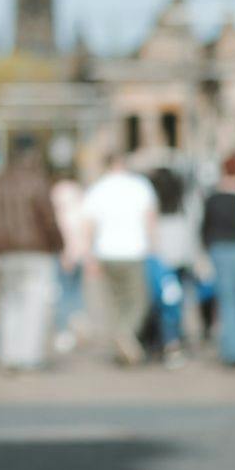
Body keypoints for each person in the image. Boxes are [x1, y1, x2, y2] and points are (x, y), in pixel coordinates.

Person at [0, 136, 64, 371]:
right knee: (34, 303)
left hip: (4, 252)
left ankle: (8, 354)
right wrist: (59, 244)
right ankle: (29, 356)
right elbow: (49, 219)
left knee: (9, 302)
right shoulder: (37, 182)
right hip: (36, 252)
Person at [80, 152, 158, 366]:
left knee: (114, 302)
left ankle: (122, 340)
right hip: (134, 250)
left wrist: (89, 256)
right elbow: (150, 219)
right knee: (138, 301)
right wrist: (153, 247)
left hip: (106, 251)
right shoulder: (140, 186)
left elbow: (88, 225)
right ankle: (127, 334)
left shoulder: (97, 188)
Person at [201, 154, 235, 367]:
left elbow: (206, 227)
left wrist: (206, 248)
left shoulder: (214, 197)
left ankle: (232, 351)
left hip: (221, 251)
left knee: (228, 301)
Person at [148, 167, 193, 367]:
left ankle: (161, 343)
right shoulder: (184, 202)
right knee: (174, 303)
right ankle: (173, 342)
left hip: (157, 258)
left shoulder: (150, 201)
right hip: (180, 256)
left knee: (158, 303)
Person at [49, 171, 88, 355]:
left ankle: (64, 330)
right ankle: (77, 325)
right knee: (76, 291)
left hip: (64, 250)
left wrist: (64, 251)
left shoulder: (56, 194)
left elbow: (60, 225)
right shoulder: (80, 194)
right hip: (79, 250)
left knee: (63, 292)